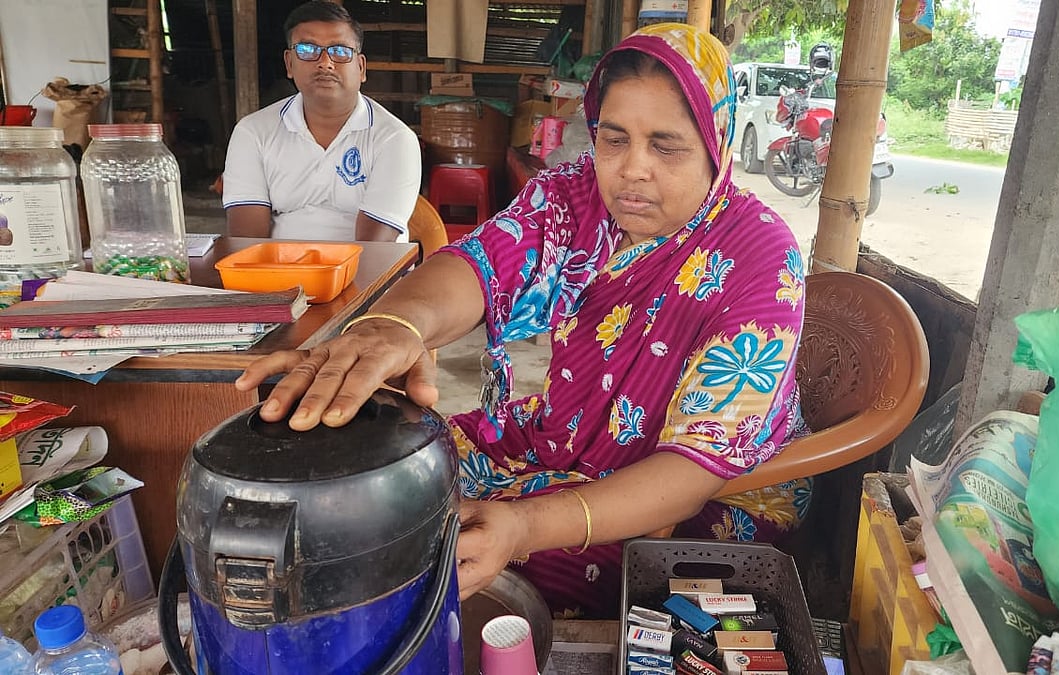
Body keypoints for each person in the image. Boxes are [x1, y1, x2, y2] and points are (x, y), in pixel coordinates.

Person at [236, 23, 809, 618]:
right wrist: (395, 326)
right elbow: (484, 263)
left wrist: (522, 525)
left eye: (666, 147)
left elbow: (693, 469)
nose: (632, 169)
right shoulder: (577, 194)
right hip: (563, 439)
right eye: (614, 140)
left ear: (717, 142)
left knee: (447, 561)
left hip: (699, 497)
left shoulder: (759, 253)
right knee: (395, 477)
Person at [221, 0, 420, 242]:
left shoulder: (394, 139)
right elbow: (247, 242)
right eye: (307, 50)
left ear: (361, 67)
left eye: (340, 51)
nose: (325, 62)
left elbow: (375, 249)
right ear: (289, 63)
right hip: (277, 273)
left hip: (370, 275)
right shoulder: (252, 132)